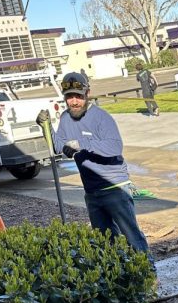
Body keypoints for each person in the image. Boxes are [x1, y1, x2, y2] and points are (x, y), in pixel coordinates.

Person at [38, 71, 152, 263]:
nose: (74, 102)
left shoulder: (101, 117)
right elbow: (60, 146)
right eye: (69, 97)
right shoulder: (66, 118)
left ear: (87, 93)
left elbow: (115, 147)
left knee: (131, 235)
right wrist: (46, 127)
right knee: (105, 240)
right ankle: (117, 275)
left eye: (78, 97)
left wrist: (82, 144)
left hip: (115, 187)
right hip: (91, 191)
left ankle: (149, 273)